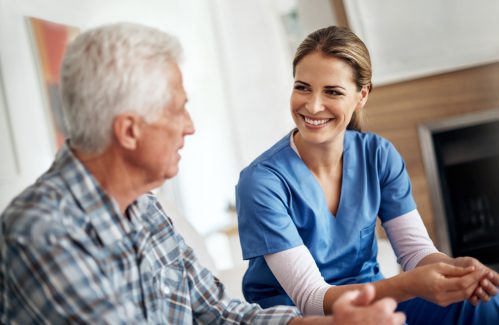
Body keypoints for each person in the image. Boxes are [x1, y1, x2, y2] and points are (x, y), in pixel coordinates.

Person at [0, 22, 406, 325]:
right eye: (177, 109)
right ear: (128, 130)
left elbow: (218, 312)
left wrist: (332, 323)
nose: (189, 126)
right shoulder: (41, 232)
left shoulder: (147, 211)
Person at [236, 25, 499, 324]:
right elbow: (311, 299)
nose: (313, 105)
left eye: (332, 91)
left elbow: (416, 253)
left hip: (377, 303)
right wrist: (411, 283)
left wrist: (456, 271)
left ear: (361, 95)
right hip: (308, 318)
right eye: (302, 87)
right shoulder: (261, 182)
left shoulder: (377, 155)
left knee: (484, 304)